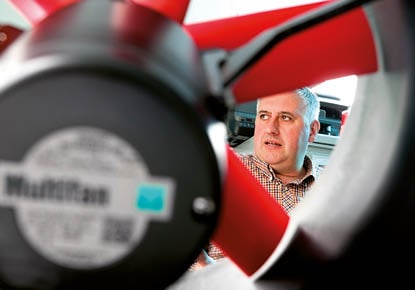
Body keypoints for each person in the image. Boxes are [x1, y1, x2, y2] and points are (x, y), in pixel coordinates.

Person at [190, 87, 321, 268]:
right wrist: (205, 270)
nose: (271, 129)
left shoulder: (332, 189)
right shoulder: (221, 173)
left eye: (285, 117)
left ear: (313, 130)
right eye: (264, 116)